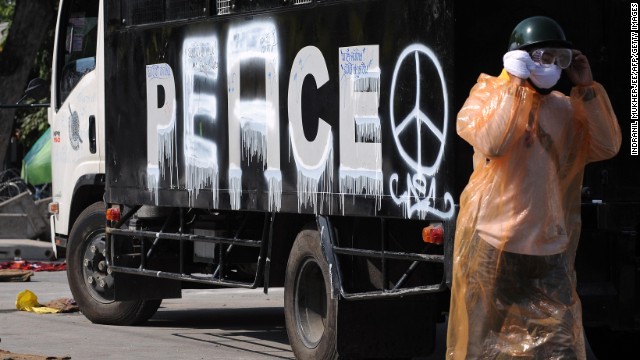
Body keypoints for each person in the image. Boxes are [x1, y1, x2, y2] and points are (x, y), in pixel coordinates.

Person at [446, 16, 621, 359]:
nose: (553, 66)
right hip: (491, 248)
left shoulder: (564, 109)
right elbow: (493, 141)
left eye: (560, 59)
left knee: (561, 344)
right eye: (545, 57)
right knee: (480, 346)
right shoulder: (488, 95)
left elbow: (607, 144)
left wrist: (586, 88)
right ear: (520, 57)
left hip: (547, 251)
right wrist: (513, 84)